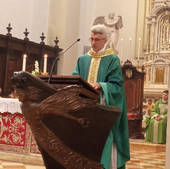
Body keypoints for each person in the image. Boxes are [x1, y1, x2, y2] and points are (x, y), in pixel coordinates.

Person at [72, 24, 130, 169]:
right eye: (91, 39)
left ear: (105, 40)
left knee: (104, 143)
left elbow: (117, 87)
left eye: (97, 39)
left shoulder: (112, 59)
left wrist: (101, 85)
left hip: (103, 112)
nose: (93, 43)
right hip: (84, 111)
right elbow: (74, 80)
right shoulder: (82, 60)